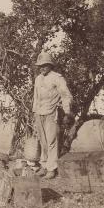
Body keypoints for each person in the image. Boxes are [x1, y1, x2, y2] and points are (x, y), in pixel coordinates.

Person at [32, 51, 73, 179]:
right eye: (40, 66)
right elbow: (36, 97)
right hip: (39, 113)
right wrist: (34, 113)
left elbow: (66, 95)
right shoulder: (38, 79)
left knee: (52, 141)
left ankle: (52, 169)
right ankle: (44, 166)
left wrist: (66, 112)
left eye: (44, 65)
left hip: (52, 113)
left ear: (50, 65)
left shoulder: (57, 78)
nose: (42, 68)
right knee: (43, 142)